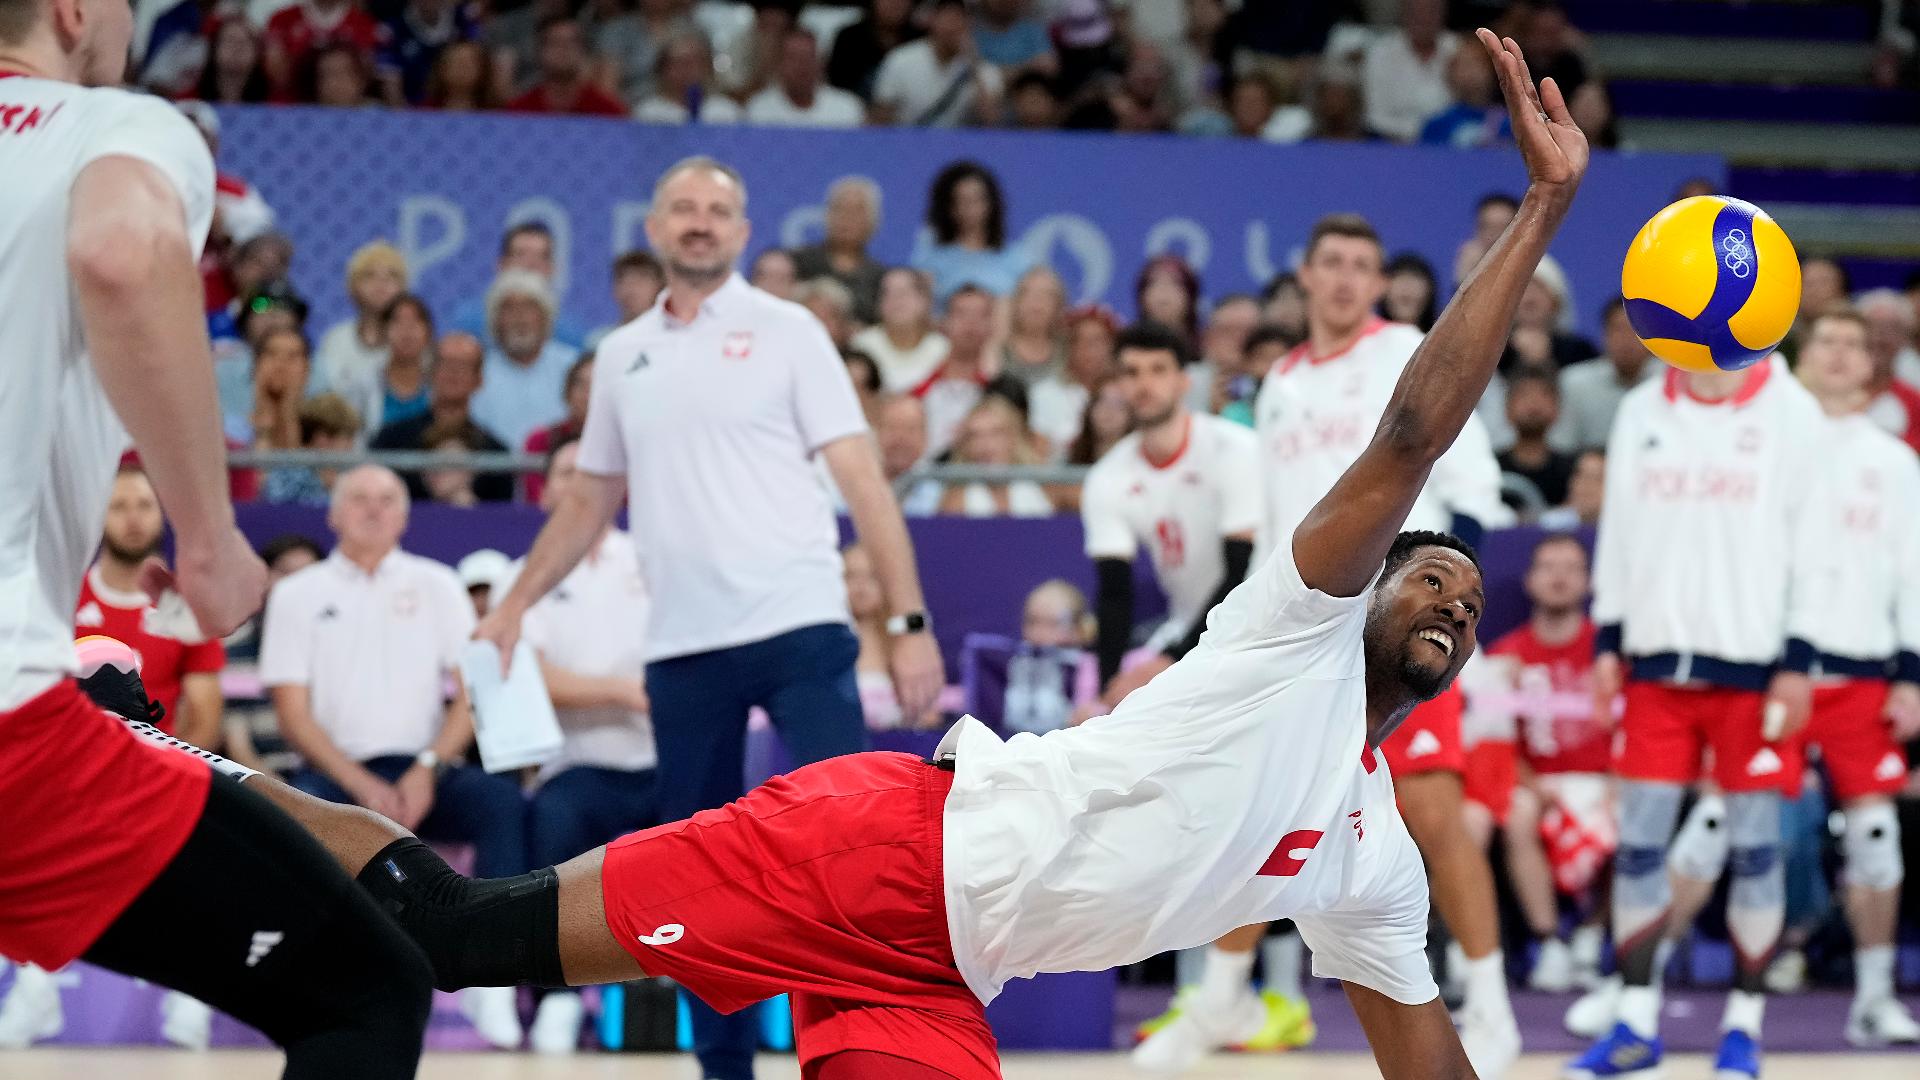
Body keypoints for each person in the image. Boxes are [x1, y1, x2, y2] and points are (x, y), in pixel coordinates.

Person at [89, 39, 1581, 1080]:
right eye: (1423, 569)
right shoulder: (1289, 634)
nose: (1447, 584)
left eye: (1464, 583)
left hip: (942, 973)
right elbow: (1406, 433)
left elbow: (1424, 1058)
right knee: (464, 933)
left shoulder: (1375, 863)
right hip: (873, 851)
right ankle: (163, 769)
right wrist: (1543, 210)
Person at [0, 5, 432, 1074]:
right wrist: (209, 533)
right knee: (366, 993)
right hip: (11, 730)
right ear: (75, 10)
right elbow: (120, 244)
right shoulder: (116, 126)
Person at [477, 155, 946, 1080]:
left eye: (718, 210)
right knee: (702, 885)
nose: (699, 223)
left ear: (741, 231)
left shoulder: (791, 331)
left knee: (844, 859)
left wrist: (910, 622)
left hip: (802, 628)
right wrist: (515, 606)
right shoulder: (620, 356)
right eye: (683, 208)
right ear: (653, 228)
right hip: (683, 649)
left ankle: (862, 1058)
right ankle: (723, 1070)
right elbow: (587, 500)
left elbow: (863, 481)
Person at [1248, 209, 1520, 1079]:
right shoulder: (1279, 382)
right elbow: (1270, 529)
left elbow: (1472, 484)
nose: (1342, 278)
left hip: (1399, 622)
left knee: (1434, 811)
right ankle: (1232, 993)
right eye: (1329, 262)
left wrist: (1438, 599)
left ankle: (1495, 1005)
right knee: (1272, 806)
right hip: (1301, 629)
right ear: (1306, 275)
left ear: (1376, 283)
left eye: (1360, 265)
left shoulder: (1407, 348)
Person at [1568, 342, 1828, 1075]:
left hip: (1758, 668)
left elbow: (1815, 543)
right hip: (1653, 664)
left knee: (1755, 850)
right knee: (1642, 846)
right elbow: (1617, 531)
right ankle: (1635, 1022)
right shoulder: (1643, 407)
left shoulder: (1791, 410)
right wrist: (1608, 639)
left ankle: (1744, 1027)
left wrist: (1800, 658)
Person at [260, 464, 530, 1048]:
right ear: (332, 514)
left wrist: (428, 769)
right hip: (334, 774)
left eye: (388, 499)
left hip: (423, 768)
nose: (374, 509)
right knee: (288, 824)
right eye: (359, 497)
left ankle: (497, 981)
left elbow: (471, 695)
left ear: (406, 516)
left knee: (505, 805)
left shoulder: (438, 584)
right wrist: (360, 783)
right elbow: (292, 713)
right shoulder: (295, 594)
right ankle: (310, 988)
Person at [1784, 308, 1920, 1046]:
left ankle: (1872, 996)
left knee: (1876, 833)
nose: (1839, 356)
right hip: (1773, 672)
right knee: (1713, 830)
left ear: (1873, 367)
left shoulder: (1893, 460)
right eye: (1826, 342)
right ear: (1801, 358)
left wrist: (1912, 675)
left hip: (1864, 672)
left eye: (1854, 346)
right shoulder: (1771, 444)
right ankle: (1634, 988)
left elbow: (1911, 572)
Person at [499, 438, 660, 1054]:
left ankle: (711, 995)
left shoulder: (650, 558)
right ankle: (557, 997)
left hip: (664, 756)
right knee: (551, 827)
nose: (578, 483)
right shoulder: (526, 578)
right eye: (565, 472)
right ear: (544, 491)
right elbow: (532, 675)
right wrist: (623, 692)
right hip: (577, 765)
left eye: (589, 472)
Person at [1081, 322, 1260, 713]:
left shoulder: (1235, 449)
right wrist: (1107, 693)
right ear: (1119, 384)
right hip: (1190, 629)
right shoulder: (1107, 477)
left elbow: (1242, 573)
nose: (1145, 384)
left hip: (1261, 625)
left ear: (1183, 381)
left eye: (1158, 370)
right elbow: (1114, 593)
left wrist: (1172, 661)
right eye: (1131, 372)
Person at [1478, 534, 1612, 993]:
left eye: (1571, 567)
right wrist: (1531, 783)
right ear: (1531, 580)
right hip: (1535, 782)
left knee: (1640, 809)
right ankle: (1549, 940)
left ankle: (1592, 936)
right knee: (1517, 812)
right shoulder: (1504, 656)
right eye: (1548, 567)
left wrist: (1617, 786)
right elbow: (1493, 741)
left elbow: (1639, 731)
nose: (1559, 577)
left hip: (1605, 779)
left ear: (1589, 581)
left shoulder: (1611, 656)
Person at [370, 330, 515, 502]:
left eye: (463, 365)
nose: (453, 373)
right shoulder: (390, 441)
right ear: (429, 373)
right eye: (445, 363)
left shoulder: (496, 454)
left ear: (479, 380)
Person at [470, 268, 581, 449]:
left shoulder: (572, 367)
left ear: (545, 317)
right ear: (495, 320)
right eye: (509, 309)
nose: (520, 317)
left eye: (529, 308)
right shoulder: (478, 371)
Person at [911, 160, 1035, 304]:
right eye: (962, 200)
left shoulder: (1018, 259)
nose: (970, 208)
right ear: (949, 207)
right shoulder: (929, 256)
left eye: (977, 199)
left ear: (992, 204)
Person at [449, 221, 588, 349]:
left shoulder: (569, 332)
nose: (530, 264)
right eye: (520, 254)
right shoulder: (468, 321)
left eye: (540, 257)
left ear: (551, 269)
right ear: (501, 264)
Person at [313, 240, 408, 425]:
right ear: (353, 286)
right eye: (369, 275)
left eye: (391, 276)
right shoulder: (335, 340)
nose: (381, 284)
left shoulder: (411, 343)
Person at [870, 0, 1003, 128]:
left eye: (959, 17)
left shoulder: (983, 69)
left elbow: (991, 120)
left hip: (958, 146)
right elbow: (881, 117)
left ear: (970, 23)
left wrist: (973, 62)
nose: (952, 25)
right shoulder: (901, 59)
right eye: (946, 16)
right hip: (907, 141)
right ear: (932, 19)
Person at [1554, 297, 1658, 453]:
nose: (1626, 339)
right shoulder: (1574, 382)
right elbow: (1562, 447)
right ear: (1604, 334)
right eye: (1618, 329)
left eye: (1635, 329)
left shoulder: (1668, 381)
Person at [913, 283, 1000, 456]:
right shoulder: (917, 388)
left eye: (980, 315)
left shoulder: (1001, 391)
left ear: (992, 325)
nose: (971, 323)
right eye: (962, 314)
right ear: (944, 323)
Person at [936, 395, 1053, 518]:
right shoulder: (954, 502)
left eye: (996, 433)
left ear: (1012, 438)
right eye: (976, 436)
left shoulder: (1044, 486)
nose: (987, 446)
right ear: (966, 446)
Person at [793, 176, 887, 324]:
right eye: (841, 209)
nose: (848, 218)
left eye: (857, 211)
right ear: (827, 215)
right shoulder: (797, 263)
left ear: (873, 220)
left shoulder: (881, 279)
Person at [1361, 0, 1458, 142]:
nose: (1424, 18)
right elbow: (1374, 117)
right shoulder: (1380, 53)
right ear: (1404, 13)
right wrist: (1424, 133)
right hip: (1392, 145)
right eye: (1417, 12)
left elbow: (1471, 108)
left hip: (1451, 145)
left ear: (1442, 13)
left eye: (1430, 11)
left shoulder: (1458, 49)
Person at [851, 266, 949, 391]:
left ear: (926, 300)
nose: (896, 300)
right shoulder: (862, 346)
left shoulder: (943, 350)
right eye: (887, 293)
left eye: (903, 293)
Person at [745, 27, 866, 127]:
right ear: (779, 64)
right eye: (793, 58)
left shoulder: (847, 109)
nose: (802, 66)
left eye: (809, 57)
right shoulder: (760, 110)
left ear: (821, 63)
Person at [509, 14, 626, 115]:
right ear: (538, 51)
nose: (563, 50)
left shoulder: (608, 111)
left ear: (583, 51)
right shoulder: (518, 111)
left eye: (571, 43)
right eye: (555, 43)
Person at [1497, 368, 1578, 509]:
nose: (1533, 404)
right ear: (1507, 409)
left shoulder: (1574, 471)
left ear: (1557, 410)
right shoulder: (1490, 468)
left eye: (1544, 395)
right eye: (1524, 394)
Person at [524, 351, 595, 504]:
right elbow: (535, 499)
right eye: (580, 385)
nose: (587, 395)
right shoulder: (540, 440)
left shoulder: (624, 443)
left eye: (596, 385)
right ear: (567, 391)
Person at [629, 30, 741, 125]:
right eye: (679, 62)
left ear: (707, 67)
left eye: (694, 62)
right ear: (663, 68)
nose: (687, 70)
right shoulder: (647, 114)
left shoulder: (726, 111)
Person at [370, 293, 436, 433]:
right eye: (397, 321)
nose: (407, 331)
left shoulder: (439, 381)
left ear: (429, 331)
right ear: (383, 330)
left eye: (415, 321)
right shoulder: (364, 380)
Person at [999, 265, 1068, 386]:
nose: (1037, 300)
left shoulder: (1069, 354)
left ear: (1059, 305)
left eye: (1047, 294)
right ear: (1015, 302)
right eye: (1028, 293)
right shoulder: (997, 350)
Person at [1382, 253, 1440, 332]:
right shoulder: (1367, 340)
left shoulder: (1445, 340)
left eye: (1415, 279)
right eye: (1400, 278)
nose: (1407, 289)